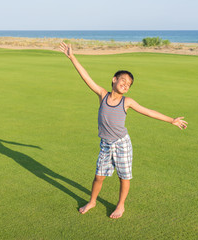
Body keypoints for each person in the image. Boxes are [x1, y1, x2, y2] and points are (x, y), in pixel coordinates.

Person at [59, 42, 188, 219]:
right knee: (99, 176)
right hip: (105, 144)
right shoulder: (102, 94)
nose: (126, 85)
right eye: (123, 81)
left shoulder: (126, 102)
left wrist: (171, 120)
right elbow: (86, 77)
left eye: (129, 84)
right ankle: (93, 201)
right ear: (114, 80)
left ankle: (121, 205)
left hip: (122, 144)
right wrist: (72, 57)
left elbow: (148, 111)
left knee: (124, 177)